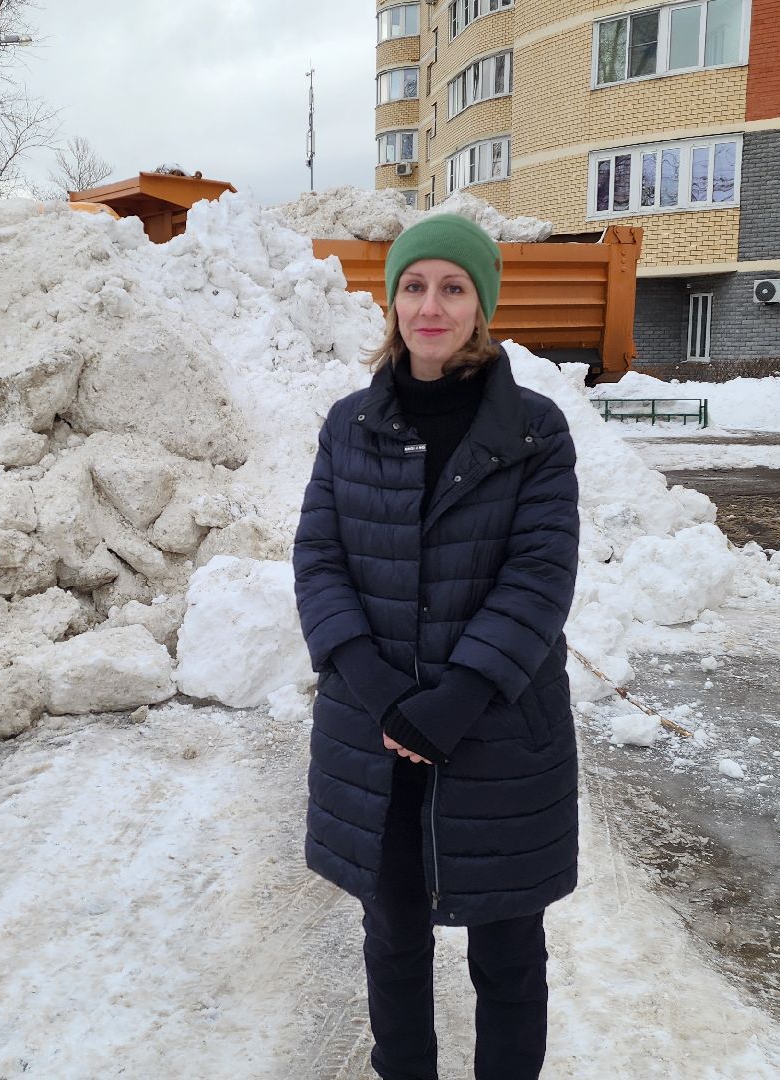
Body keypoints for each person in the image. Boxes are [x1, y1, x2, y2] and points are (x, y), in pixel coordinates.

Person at [292, 214, 581, 1079]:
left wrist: (456, 698)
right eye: (414, 286)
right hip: (374, 733)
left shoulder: (535, 431)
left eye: (453, 288)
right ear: (392, 301)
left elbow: (539, 574)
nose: (431, 306)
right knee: (392, 936)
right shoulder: (349, 425)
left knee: (508, 950)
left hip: (495, 730)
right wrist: (378, 689)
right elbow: (319, 557)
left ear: (480, 304)